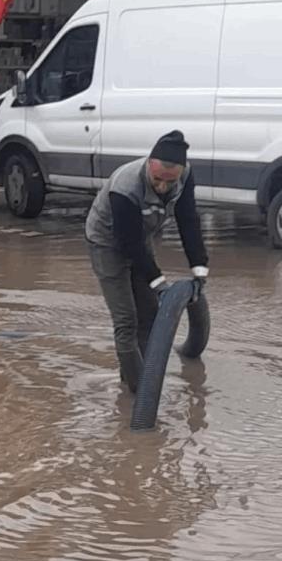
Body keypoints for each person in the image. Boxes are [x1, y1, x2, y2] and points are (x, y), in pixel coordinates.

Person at [85, 130, 209, 393]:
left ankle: (134, 380)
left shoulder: (185, 176)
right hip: (107, 243)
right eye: (157, 180)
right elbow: (127, 242)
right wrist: (158, 282)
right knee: (126, 320)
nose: (163, 187)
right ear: (149, 165)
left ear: (181, 171)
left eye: (169, 182)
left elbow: (188, 220)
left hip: (141, 239)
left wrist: (199, 269)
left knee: (150, 314)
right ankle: (138, 395)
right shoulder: (125, 186)